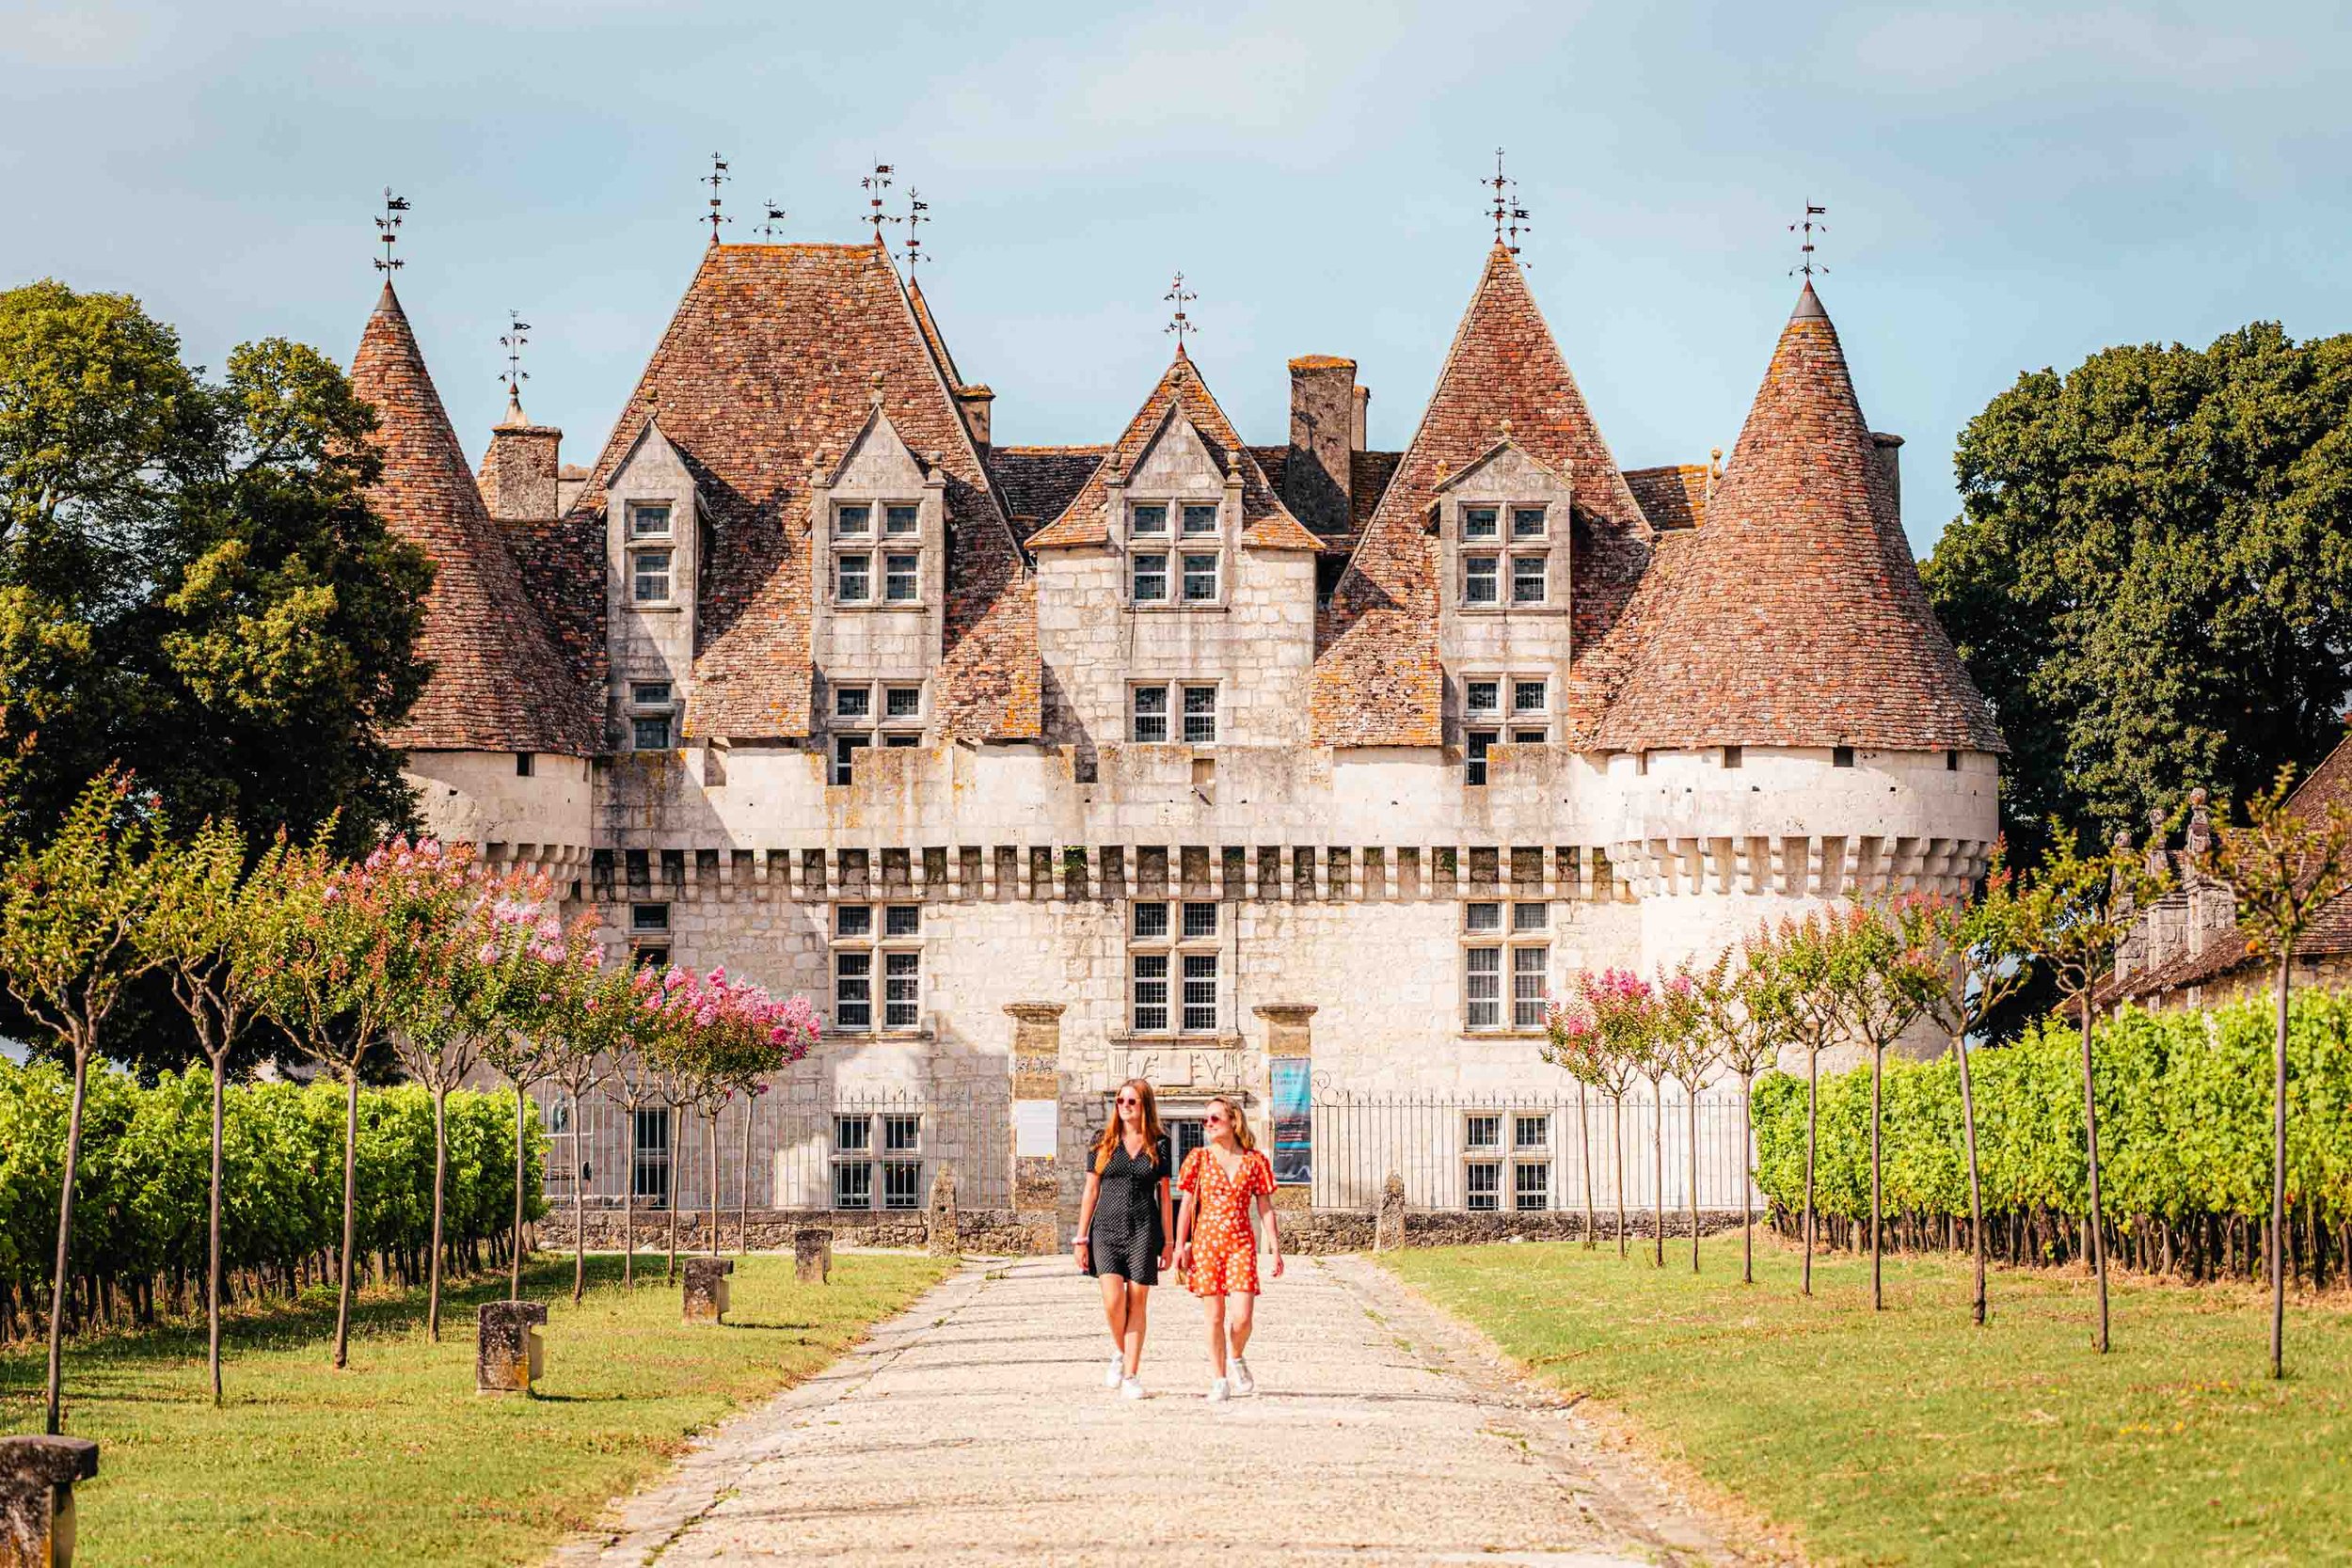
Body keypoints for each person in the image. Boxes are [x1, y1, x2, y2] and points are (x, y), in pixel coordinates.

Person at [1173, 1093, 1282, 1402]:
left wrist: (1275, 1247)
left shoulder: (1254, 1161)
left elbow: (1265, 1207)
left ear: (1233, 1121)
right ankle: (1219, 1379)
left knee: (1243, 1317)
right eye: (1205, 1119)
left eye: (1215, 1118)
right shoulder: (1199, 1158)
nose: (1209, 1124)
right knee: (1214, 1317)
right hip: (1207, 1243)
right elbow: (1187, 1205)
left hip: (1241, 1244)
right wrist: (1181, 1245)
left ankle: (1236, 1356)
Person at [1073, 1077, 1173, 1400]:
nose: (1125, 1106)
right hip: (1105, 1228)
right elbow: (1091, 1190)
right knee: (1114, 1300)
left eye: (1131, 1101)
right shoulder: (1101, 1141)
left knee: (1138, 1301)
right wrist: (1080, 1238)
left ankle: (1131, 1374)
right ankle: (1121, 1351)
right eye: (1120, 1101)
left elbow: (1166, 1197)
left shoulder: (1159, 1143)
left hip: (1144, 1228)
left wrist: (1169, 1243)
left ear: (1144, 1105)